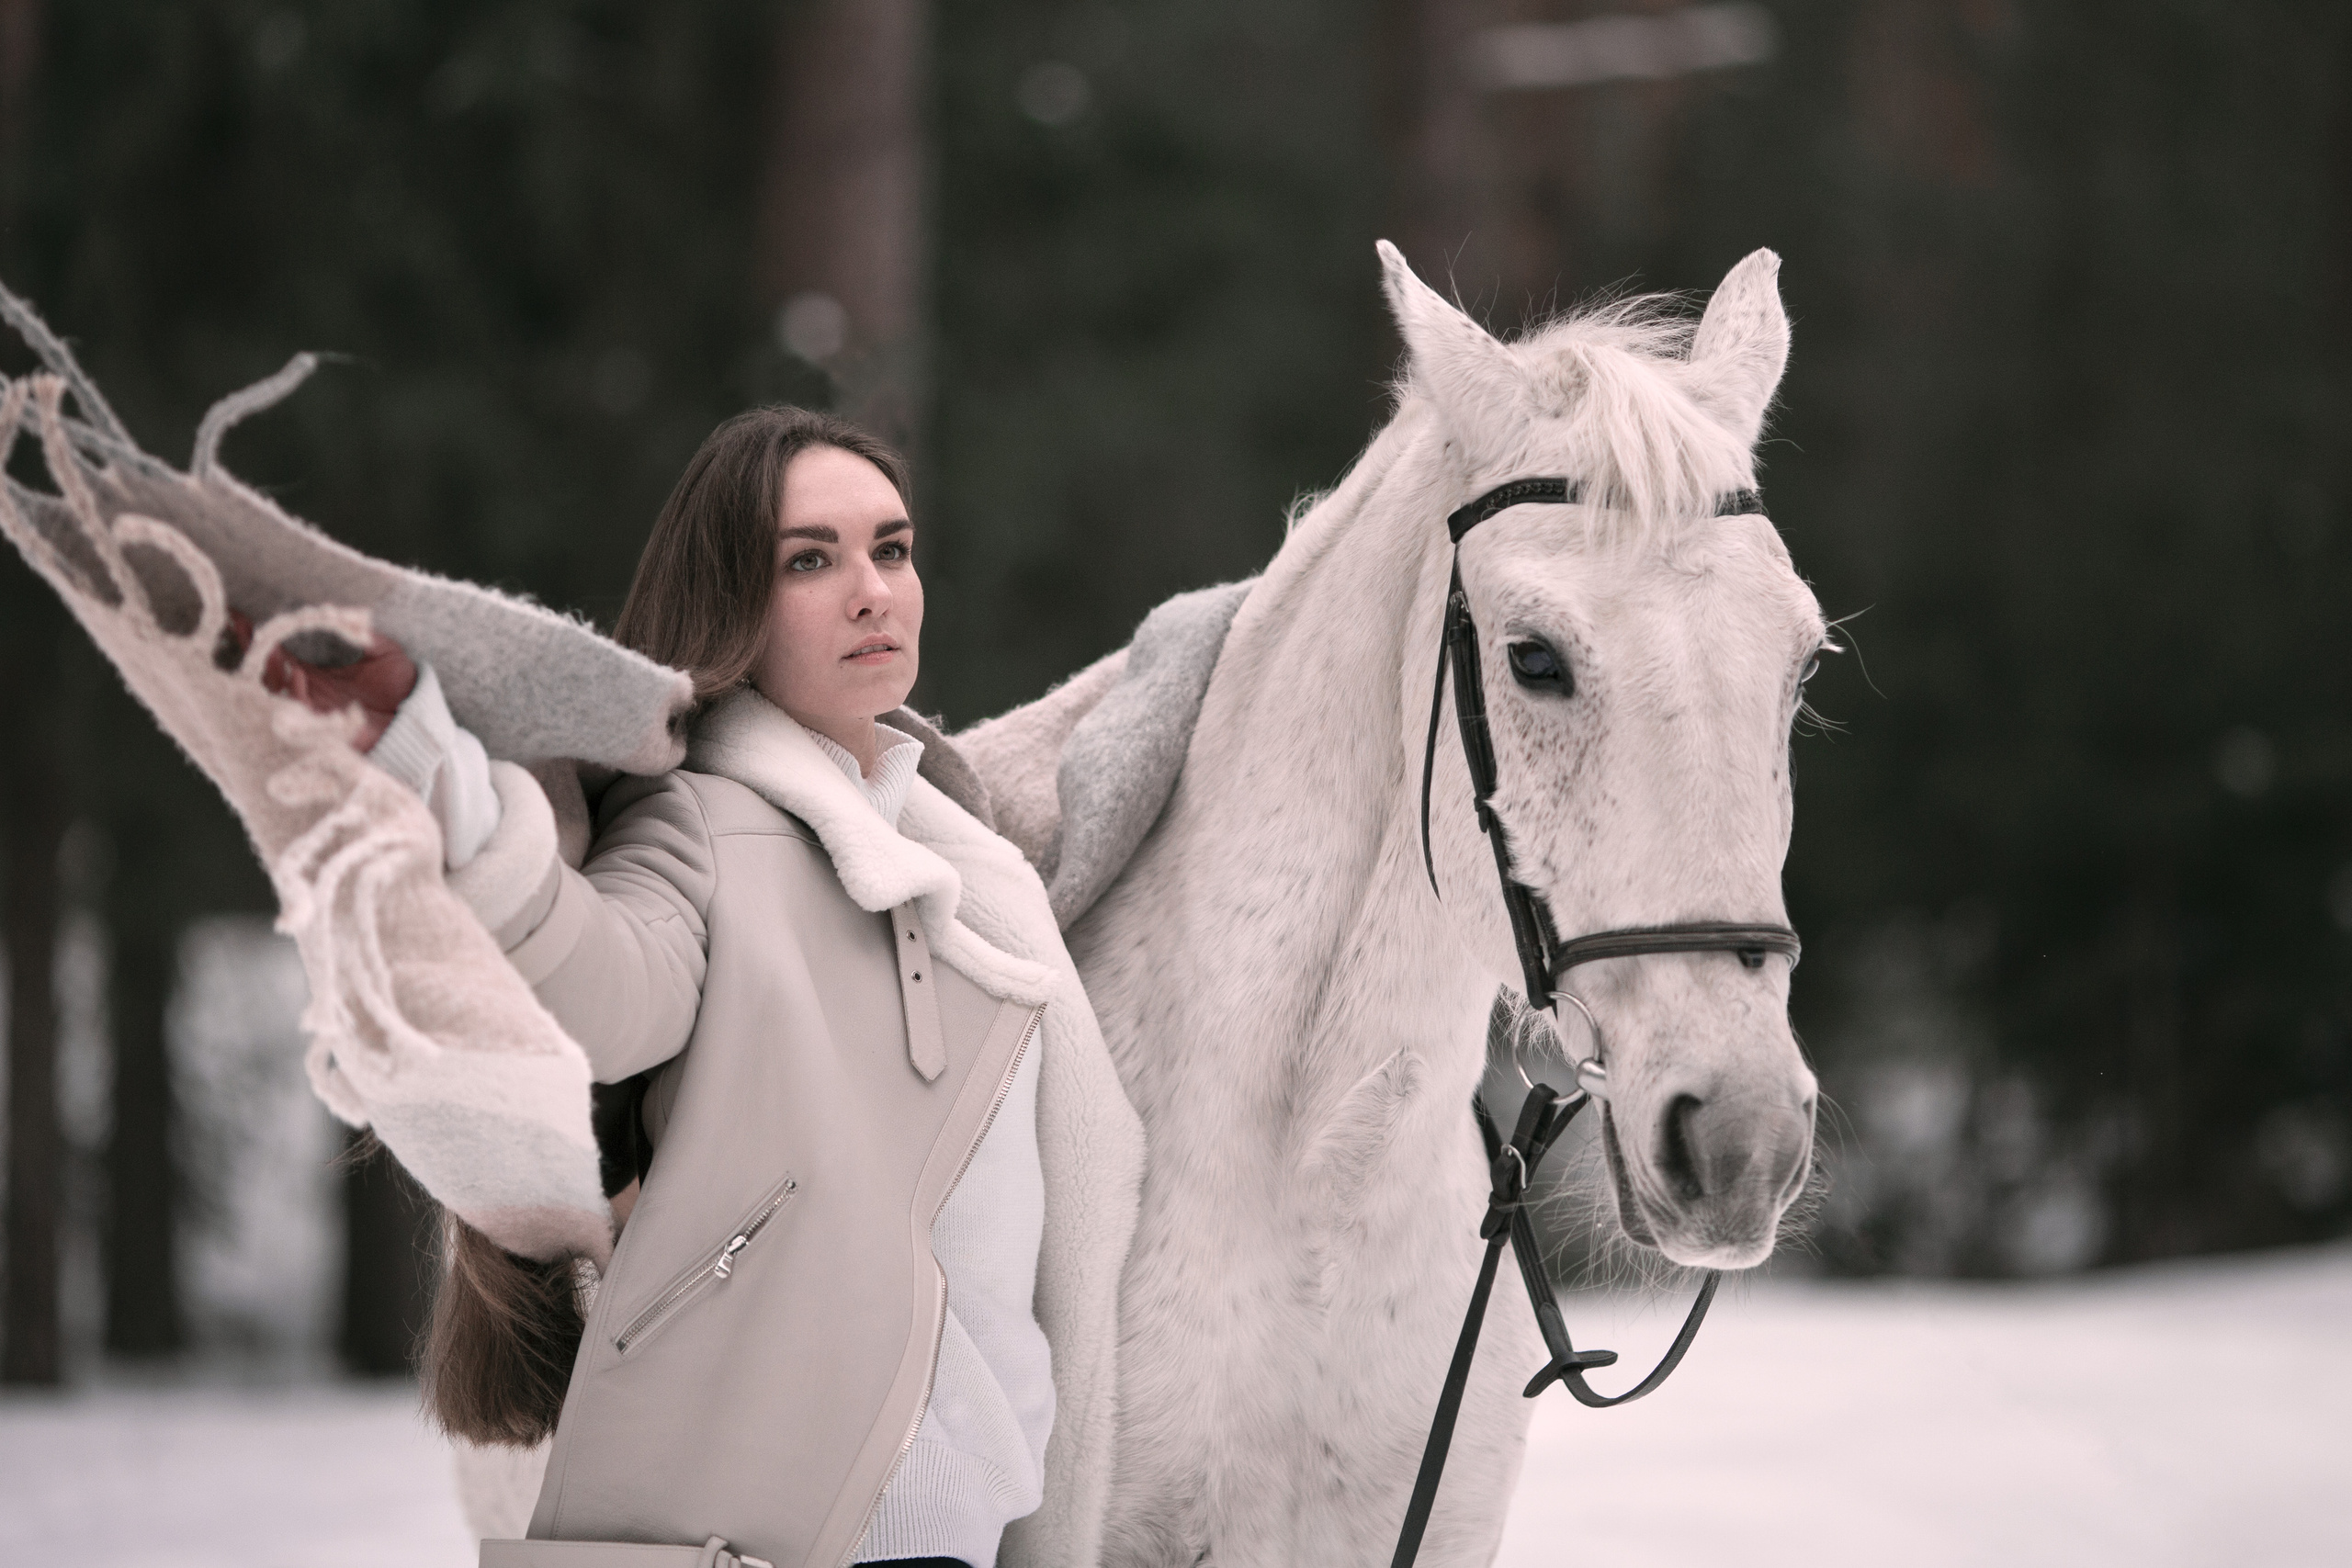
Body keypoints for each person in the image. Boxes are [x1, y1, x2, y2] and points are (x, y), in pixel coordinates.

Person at [274, 408, 1141, 1568]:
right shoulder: (696, 820)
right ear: (730, 599)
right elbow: (607, 984)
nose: (873, 591)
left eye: (891, 547)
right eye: (810, 561)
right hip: (773, 1545)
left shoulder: (961, 865)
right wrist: (478, 833)